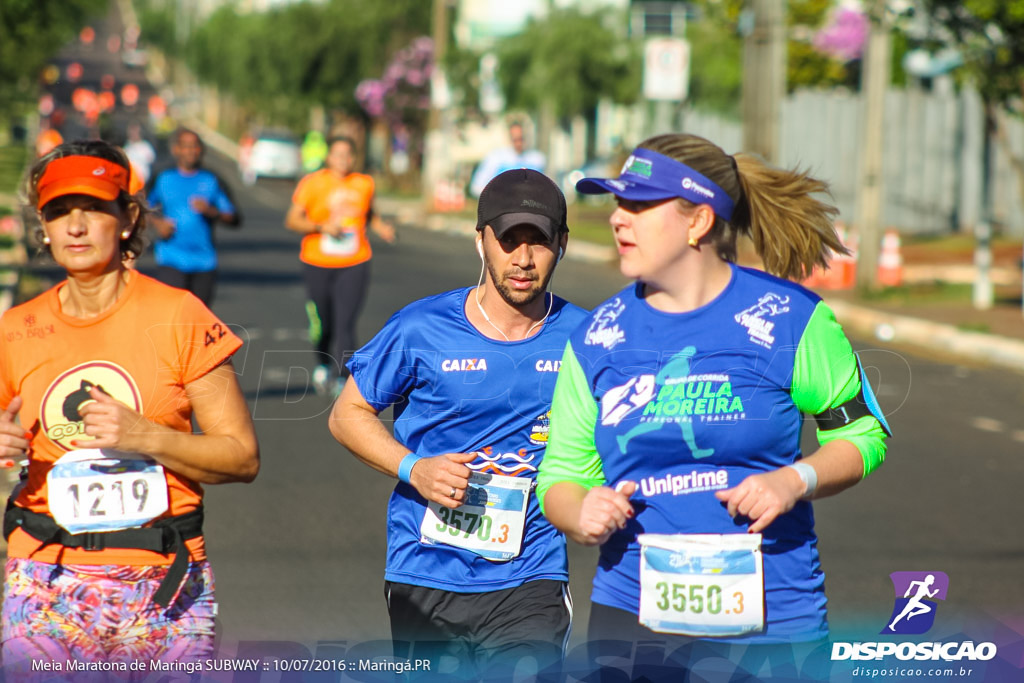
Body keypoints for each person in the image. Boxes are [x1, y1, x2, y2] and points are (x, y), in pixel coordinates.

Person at [537, 133, 892, 682]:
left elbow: (864, 436)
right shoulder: (596, 337)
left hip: (773, 628)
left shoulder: (792, 320)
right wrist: (578, 513)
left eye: (638, 204)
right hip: (631, 620)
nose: (617, 219)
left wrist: (793, 481)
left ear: (698, 220)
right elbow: (562, 473)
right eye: (616, 203)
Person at [0, 140, 259, 674]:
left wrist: (143, 436)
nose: (75, 226)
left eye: (93, 207)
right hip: (45, 575)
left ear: (127, 218)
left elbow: (241, 458)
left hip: (164, 583)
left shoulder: (180, 315)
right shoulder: (14, 330)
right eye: (58, 212)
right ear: (43, 228)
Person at [328, 169, 586, 679]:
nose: (524, 259)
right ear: (480, 241)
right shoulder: (420, 327)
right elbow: (346, 414)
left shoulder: (587, 336)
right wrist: (414, 468)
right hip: (424, 572)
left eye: (540, 241)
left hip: (530, 573)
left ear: (562, 244)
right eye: (509, 240)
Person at [285, 135, 396, 396]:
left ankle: (343, 378)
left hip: (355, 261)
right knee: (324, 324)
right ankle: (323, 363)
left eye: (348, 154)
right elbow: (291, 220)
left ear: (354, 158)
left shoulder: (364, 183)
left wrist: (382, 227)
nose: (343, 159)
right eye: (337, 154)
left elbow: (369, 214)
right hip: (317, 261)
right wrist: (321, 227)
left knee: (346, 323)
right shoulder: (313, 183)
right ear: (328, 157)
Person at [148, 127, 241, 306]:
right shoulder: (163, 177)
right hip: (171, 258)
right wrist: (157, 222)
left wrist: (211, 211)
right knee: (172, 315)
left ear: (202, 150)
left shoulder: (211, 179)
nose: (191, 151)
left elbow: (234, 217)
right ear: (176, 149)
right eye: (186, 146)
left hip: (204, 261)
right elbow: (140, 206)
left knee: (199, 321)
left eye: (195, 146)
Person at [469, 121, 546, 198]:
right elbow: (477, 187)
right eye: (515, 139)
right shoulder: (496, 158)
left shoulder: (537, 159)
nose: (519, 143)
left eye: (521, 139)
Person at [122, 121, 156, 186]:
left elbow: (152, 161)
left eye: (135, 131)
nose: (134, 134)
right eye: (131, 131)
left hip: (145, 183)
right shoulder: (126, 148)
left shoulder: (146, 146)